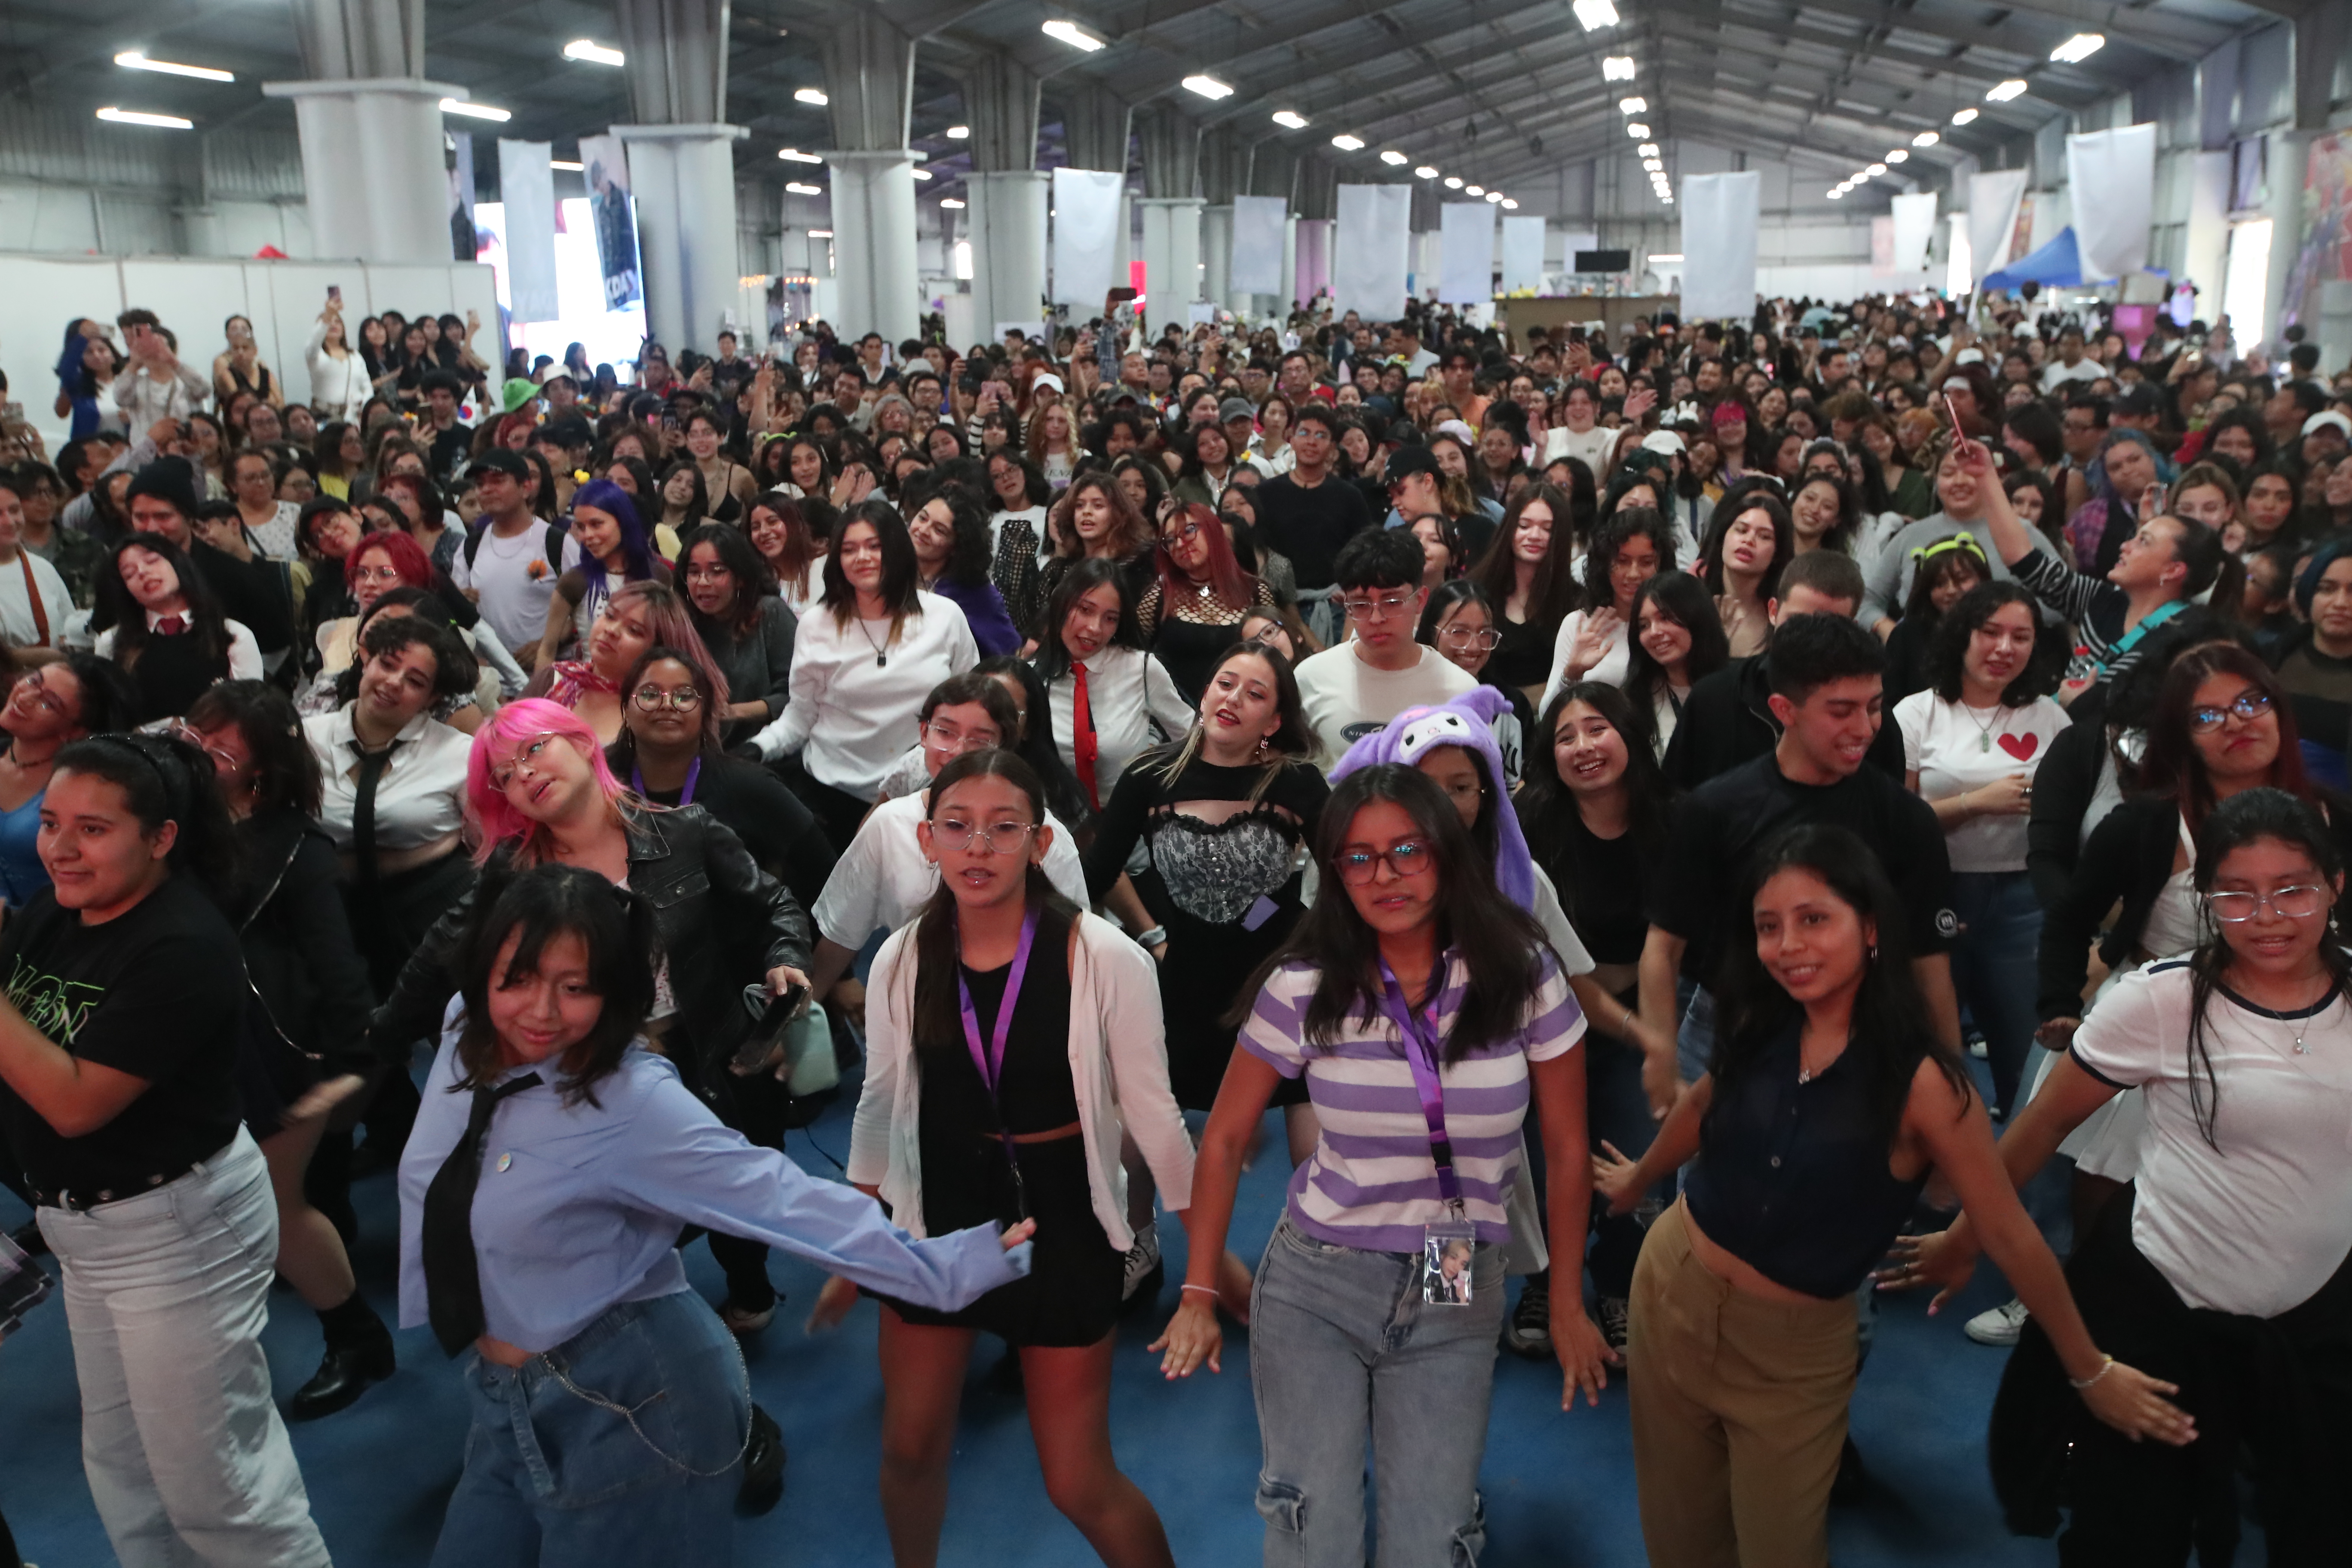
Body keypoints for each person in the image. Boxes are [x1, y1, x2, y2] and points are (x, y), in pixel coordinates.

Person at [398, 863, 1031, 1567]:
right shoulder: (466, 1027)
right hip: (501, 1395)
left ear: (613, 996)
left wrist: (950, 1267)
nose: (541, 1010)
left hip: (633, 1395)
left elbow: (780, 1197)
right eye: (517, 978)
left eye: (575, 987)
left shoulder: (629, 1100)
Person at [1596, 824, 2185, 1568]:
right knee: (1679, 1536)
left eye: (1814, 918)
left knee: (1781, 1548)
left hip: (1793, 1348)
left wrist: (2088, 1369)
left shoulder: (1927, 1083)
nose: (1788, 945)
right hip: (1671, 1285)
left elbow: (2008, 1230)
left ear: (1870, 927)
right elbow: (1699, 1108)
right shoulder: (1760, 1016)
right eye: (1768, 926)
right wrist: (1642, 1177)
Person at [1151, 763, 1610, 1565]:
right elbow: (1220, 1140)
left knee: (1432, 1539)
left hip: (1454, 1263)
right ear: (1332, 874)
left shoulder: (1522, 974)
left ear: (1447, 851)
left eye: (1407, 849)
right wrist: (1197, 1291)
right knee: (1311, 1525)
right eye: (1358, 858)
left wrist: (1565, 1296)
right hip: (1318, 1278)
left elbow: (1569, 1149)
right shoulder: (1303, 984)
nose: (1385, 874)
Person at [1898, 787, 2352, 1562]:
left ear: (2333, 885)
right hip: (2165, 1305)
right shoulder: (2162, 998)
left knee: (2319, 1520)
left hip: (2316, 1315)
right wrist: (1966, 1234)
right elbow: (2040, 1125)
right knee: (2131, 1527)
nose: (2267, 916)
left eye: (2292, 889)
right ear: (2204, 897)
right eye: (2235, 894)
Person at [819, 749, 1196, 1568]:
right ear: (927, 839)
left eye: (1002, 828)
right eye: (957, 827)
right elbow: (879, 1102)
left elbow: (1155, 1113)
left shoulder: (1103, 956)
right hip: (936, 1217)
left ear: (1038, 840)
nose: (977, 847)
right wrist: (855, 1229)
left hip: (1063, 1218)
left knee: (1077, 1482)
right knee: (910, 1449)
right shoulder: (900, 957)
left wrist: (1207, 1259)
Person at [379, 698, 818, 1336]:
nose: (524, 773)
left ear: (583, 745)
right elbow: (443, 948)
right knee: (620, 1207)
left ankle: (749, 1286)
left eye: (534, 749)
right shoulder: (515, 869)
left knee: (735, 1196)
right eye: (505, 772)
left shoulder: (686, 830)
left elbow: (774, 901)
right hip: (597, 1061)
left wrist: (786, 958)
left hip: (709, 1047)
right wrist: (378, 1035)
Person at [0, 731, 334, 1567]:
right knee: (128, 1475)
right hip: (92, 1234)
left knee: (221, 1493)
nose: (62, 849)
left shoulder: (182, 945)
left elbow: (75, 1102)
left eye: (93, 829)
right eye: (51, 823)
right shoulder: (57, 911)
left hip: (174, 1233)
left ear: (161, 838)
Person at [1642, 611, 1962, 1117]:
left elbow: (1930, 967)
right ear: (1783, 709)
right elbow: (1663, 949)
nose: (1864, 728)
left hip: (1864, 1029)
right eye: (1841, 711)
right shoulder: (1716, 809)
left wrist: (1954, 1086)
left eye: (1875, 707)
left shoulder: (1906, 820)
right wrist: (1660, 1054)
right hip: (1729, 1027)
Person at [180, 680, 393, 1421]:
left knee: (276, 1205)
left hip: (277, 1049)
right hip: (197, 1043)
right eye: (191, 736)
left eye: (214, 748)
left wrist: (350, 1066)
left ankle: (357, 1335)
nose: (193, 754)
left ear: (258, 772)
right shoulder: (176, 822)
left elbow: (338, 969)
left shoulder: (296, 846)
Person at [1081, 640, 1328, 1116]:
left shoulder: (1295, 782)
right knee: (1153, 1117)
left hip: (1278, 972)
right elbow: (1097, 874)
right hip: (1186, 974)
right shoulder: (1150, 775)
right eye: (1226, 684)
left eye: (1255, 695)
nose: (1233, 699)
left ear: (1275, 722)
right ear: (1205, 692)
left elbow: (1345, 874)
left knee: (1302, 1105)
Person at [1517, 680, 1683, 1355]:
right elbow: (1552, 965)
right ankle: (1537, 1284)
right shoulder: (1528, 827)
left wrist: (1656, 1038)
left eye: (1597, 729)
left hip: (1642, 1018)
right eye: (1564, 736)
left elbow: (1671, 949)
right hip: (1542, 1022)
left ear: (1632, 737)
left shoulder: (1675, 821)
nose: (1583, 747)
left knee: (1632, 1161)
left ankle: (1617, 1288)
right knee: (1522, 1165)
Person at [802, 673, 1088, 1031]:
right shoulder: (890, 825)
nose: (958, 750)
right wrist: (798, 1020)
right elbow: (839, 935)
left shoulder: (1043, 835)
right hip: (917, 1014)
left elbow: (1077, 947)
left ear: (1005, 747)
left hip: (1023, 1018)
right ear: (923, 734)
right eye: (945, 732)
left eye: (980, 740)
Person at [1893, 581, 2069, 1116]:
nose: (2004, 648)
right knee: (1928, 1051)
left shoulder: (2051, 718)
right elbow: (1897, 822)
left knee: (2029, 1058)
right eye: (1990, 633)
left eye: (2021, 636)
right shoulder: (1916, 712)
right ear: (1962, 636)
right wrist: (1976, 802)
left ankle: (2022, 1188)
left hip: (2023, 898)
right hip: (1937, 894)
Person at [750, 500, 979, 851]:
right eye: (850, 549)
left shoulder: (945, 616)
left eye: (875, 546)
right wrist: (758, 747)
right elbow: (801, 715)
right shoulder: (817, 623)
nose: (863, 558)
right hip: (829, 798)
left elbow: (970, 708)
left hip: (920, 798)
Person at [306, 613, 480, 993]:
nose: (393, 683)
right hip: (323, 914)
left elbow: (490, 852)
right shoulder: (304, 739)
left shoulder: (459, 753)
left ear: (433, 697)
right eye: (387, 664)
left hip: (429, 915)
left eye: (415, 681)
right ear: (365, 661)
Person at [1966, 435, 2219, 689]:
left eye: (2144, 541)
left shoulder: (2189, 636)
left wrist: (2083, 707)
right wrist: (1986, 475)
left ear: (2173, 569)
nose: (2125, 546)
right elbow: (2022, 559)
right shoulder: (2099, 600)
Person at [602, 644, 835, 909]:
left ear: (705, 714)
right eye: (650, 694)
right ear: (625, 709)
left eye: (684, 696)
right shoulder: (598, 784)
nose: (667, 704)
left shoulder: (749, 787)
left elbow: (826, 871)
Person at [1659, 550, 1905, 788]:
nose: (1809, 640)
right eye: (1797, 622)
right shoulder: (1713, 698)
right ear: (1773, 611)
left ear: (1851, 627)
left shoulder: (1872, 721)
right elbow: (1675, 799)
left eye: (1827, 626)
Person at [1294, 528, 1476, 766]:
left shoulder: (1460, 689)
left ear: (1420, 600)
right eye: (1361, 604)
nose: (1376, 618)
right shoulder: (1312, 678)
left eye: (1392, 602)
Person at [1032, 558, 1193, 814]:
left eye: (1110, 618)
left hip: (1132, 821)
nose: (1095, 628)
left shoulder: (1141, 669)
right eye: (1085, 610)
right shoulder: (1032, 679)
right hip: (1058, 824)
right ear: (1061, 604)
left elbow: (1191, 736)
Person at [0, 655, 135, 911]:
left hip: (44, 930)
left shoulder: (83, 788)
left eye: (48, 703)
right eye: (33, 681)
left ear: (75, 731)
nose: (24, 697)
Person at [93, 535, 264, 721]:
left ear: (177, 563)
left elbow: (250, 716)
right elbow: (108, 718)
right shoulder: (111, 643)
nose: (142, 572)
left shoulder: (233, 635)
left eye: (152, 561)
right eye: (129, 574)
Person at [1253, 404, 1376, 646]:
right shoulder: (1265, 493)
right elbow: (1257, 551)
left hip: (1336, 606)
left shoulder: (1349, 496)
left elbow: (1365, 552)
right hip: (1277, 606)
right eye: (1305, 433)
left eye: (1321, 436)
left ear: (1332, 447)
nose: (1312, 442)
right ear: (1291, 438)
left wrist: (1352, 589)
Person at [523, 579, 697, 745]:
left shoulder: (658, 709)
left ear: (658, 650)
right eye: (610, 616)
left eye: (634, 630)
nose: (611, 630)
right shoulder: (553, 680)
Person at [1134, 502, 1277, 703]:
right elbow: (1131, 658)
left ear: (1213, 531)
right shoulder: (1159, 596)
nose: (1181, 544)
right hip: (1175, 720)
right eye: (1171, 540)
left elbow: (1274, 660)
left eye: (1190, 531)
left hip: (1240, 712)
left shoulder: (1257, 592)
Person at [450, 449, 577, 667]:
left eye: (498, 482)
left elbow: (584, 611)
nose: (488, 490)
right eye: (481, 484)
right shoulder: (470, 547)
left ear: (525, 488)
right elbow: (455, 620)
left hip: (545, 676)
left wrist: (547, 642)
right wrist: (460, 604)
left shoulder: (557, 544)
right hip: (491, 682)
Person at [1542, 505, 1675, 705]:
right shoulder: (1578, 624)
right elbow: (1547, 715)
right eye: (1622, 561)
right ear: (1605, 563)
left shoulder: (1675, 624)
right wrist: (1572, 673)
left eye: (1646, 562)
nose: (1633, 574)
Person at [675, 522, 796, 741]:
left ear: (740, 578)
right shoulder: (684, 622)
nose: (703, 582)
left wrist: (732, 712)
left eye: (717, 571)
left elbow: (796, 695)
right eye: (694, 572)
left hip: (766, 747)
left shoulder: (770, 613)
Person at [533, 479, 669, 670]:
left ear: (622, 522)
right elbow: (547, 650)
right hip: (590, 687)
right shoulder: (575, 581)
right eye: (581, 527)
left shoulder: (659, 576)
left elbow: (673, 643)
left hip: (646, 687)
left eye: (596, 524)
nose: (587, 535)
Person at [1466, 483, 1582, 701]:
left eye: (1547, 529)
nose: (1535, 535)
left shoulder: (1575, 600)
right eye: (1525, 526)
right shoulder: (1476, 589)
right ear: (1510, 529)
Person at [1416, 579, 1531, 784]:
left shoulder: (1512, 705)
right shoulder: (1412, 698)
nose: (1473, 647)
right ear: (1432, 632)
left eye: (1485, 633)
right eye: (1459, 632)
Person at [1621, 570, 1730, 760]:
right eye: (1644, 625)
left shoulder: (1736, 687)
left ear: (1696, 617)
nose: (1654, 632)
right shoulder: (1634, 699)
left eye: (1665, 618)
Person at [905, 484, 1020, 656]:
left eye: (939, 530)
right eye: (922, 518)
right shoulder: (890, 572)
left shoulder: (976, 594)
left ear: (956, 547)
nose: (923, 530)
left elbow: (1008, 654)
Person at [1881, 533, 1991, 706]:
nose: (1951, 591)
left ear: (1983, 579)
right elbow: (1890, 701)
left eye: (1962, 580)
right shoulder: (1907, 635)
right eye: (1939, 584)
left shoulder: (2002, 630)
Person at [1695, 490, 1793, 658]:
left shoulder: (1783, 618)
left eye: (1764, 536)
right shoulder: (1691, 604)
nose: (1749, 540)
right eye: (1741, 530)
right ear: (1723, 537)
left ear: (1777, 553)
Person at [0, 470, 76, 666]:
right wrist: (19, 658)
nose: (9, 522)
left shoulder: (42, 569)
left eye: (15, 510)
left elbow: (68, 629)